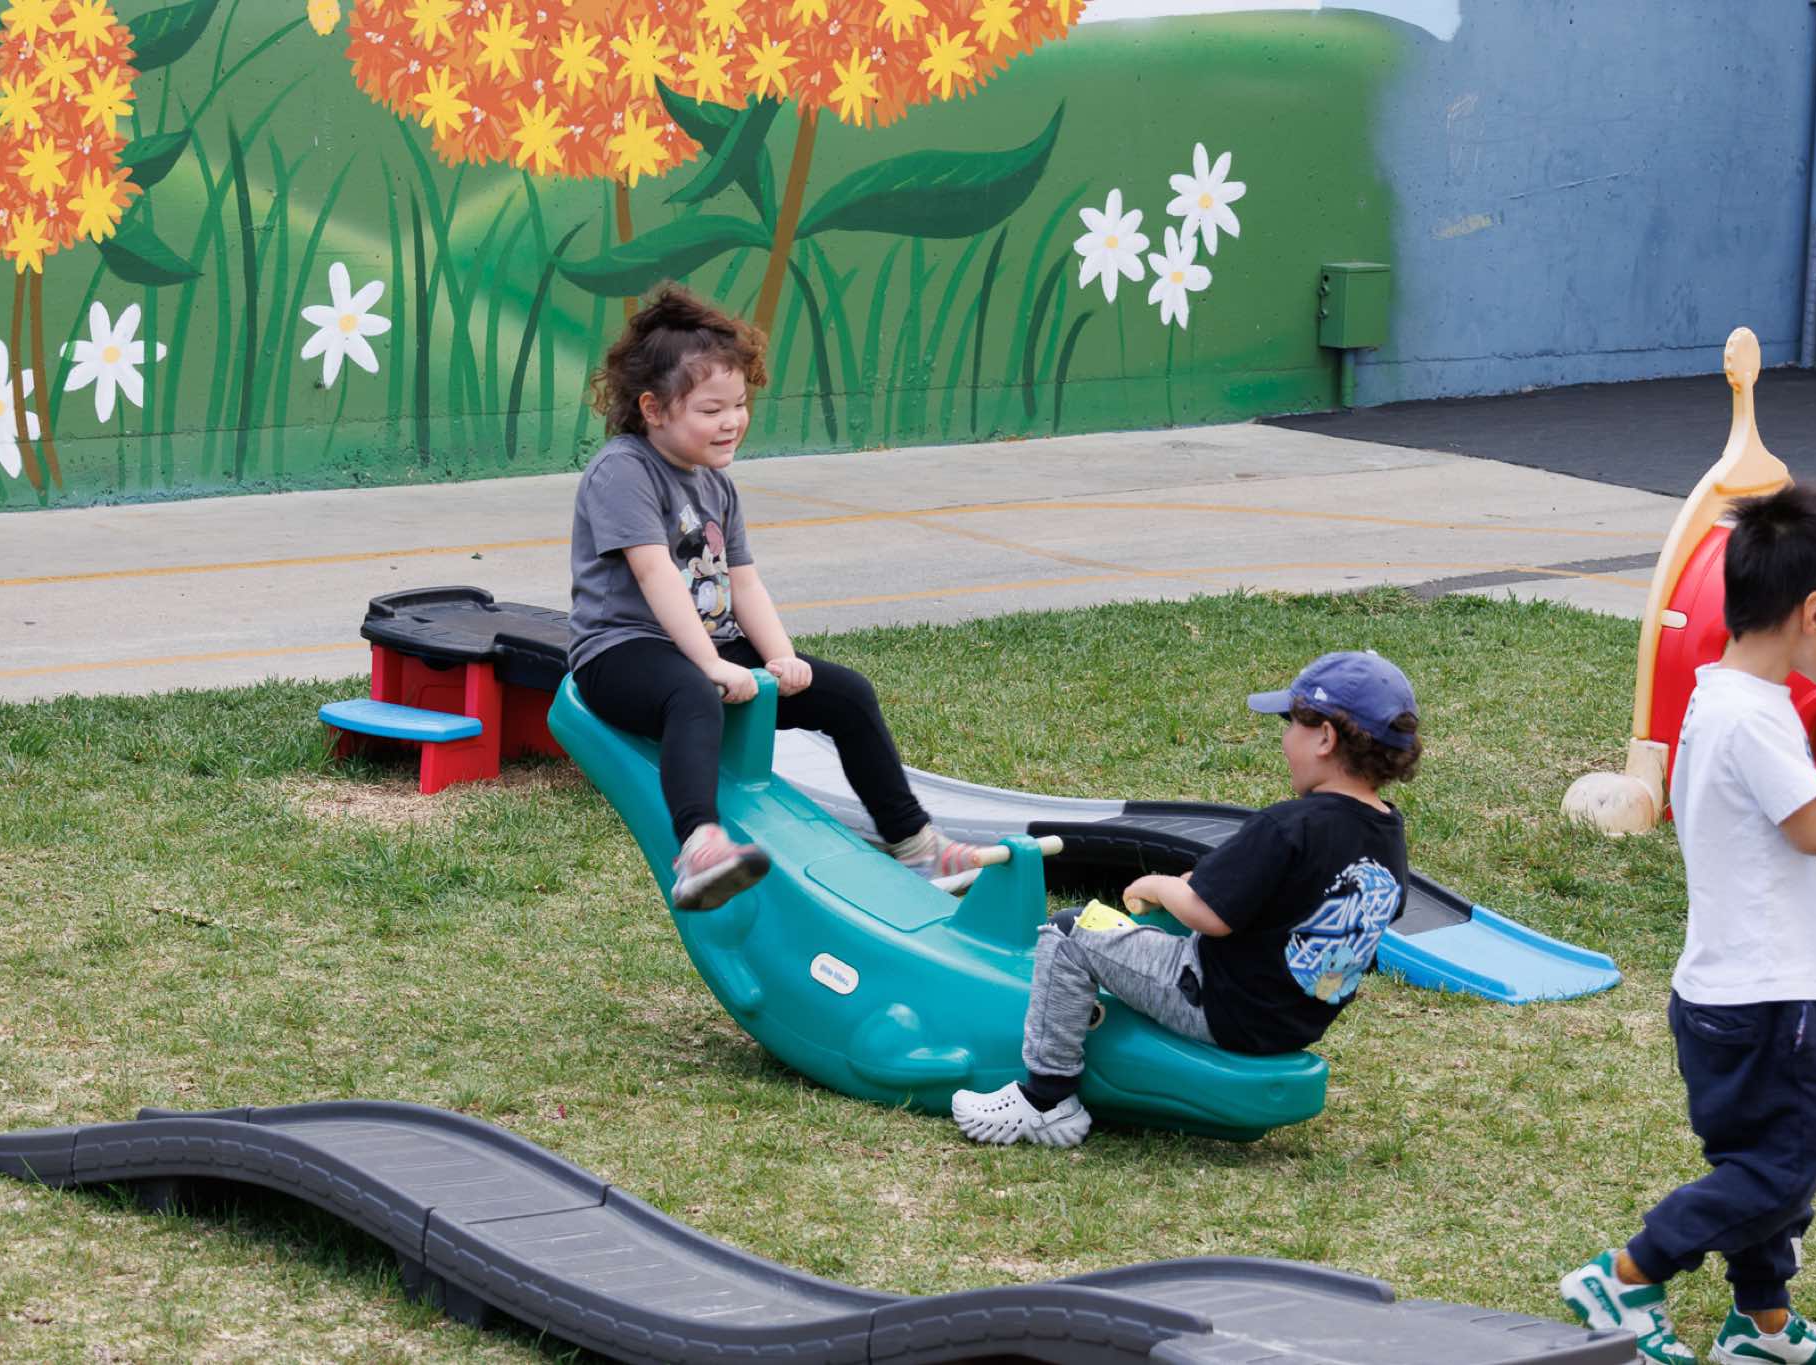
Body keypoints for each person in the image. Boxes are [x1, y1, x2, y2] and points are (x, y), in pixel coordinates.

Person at [1559, 484, 1816, 1365]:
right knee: (1781, 1171)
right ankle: (1626, 1273)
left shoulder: (1721, 696)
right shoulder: (1756, 716)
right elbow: (1809, 825)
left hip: (1729, 990)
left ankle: (1760, 1324)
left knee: (1763, 1163)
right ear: (1814, 611)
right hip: (1769, 995)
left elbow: (1785, 814)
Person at [568, 285, 990, 911]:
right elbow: (656, 575)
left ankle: (915, 845)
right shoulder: (624, 469)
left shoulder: (717, 486)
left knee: (846, 693)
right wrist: (710, 665)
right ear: (653, 409)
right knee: (692, 694)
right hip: (623, 652)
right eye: (711, 409)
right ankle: (699, 848)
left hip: (706, 648)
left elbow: (744, 581)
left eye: (739, 404)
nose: (732, 421)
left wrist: (780, 657)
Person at [949, 650, 1420, 1147]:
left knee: (1069, 932)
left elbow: (1208, 915)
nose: (1284, 740)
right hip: (1293, 1022)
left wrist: (1158, 885)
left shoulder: (1288, 826)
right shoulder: (1388, 834)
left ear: (1324, 738)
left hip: (1218, 1004)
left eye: (1290, 724)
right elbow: (1310, 897)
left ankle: (1046, 1099)